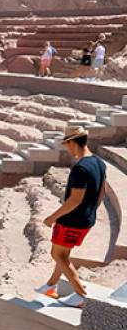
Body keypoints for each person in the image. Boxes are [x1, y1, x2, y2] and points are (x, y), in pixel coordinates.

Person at [38, 127, 106, 307]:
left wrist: (52, 218)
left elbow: (75, 200)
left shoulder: (80, 168)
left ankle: (81, 295)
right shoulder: (99, 163)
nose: (67, 149)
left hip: (72, 221)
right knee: (64, 253)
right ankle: (50, 286)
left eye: (66, 144)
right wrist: (90, 210)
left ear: (72, 142)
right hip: (86, 219)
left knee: (57, 255)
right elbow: (101, 192)